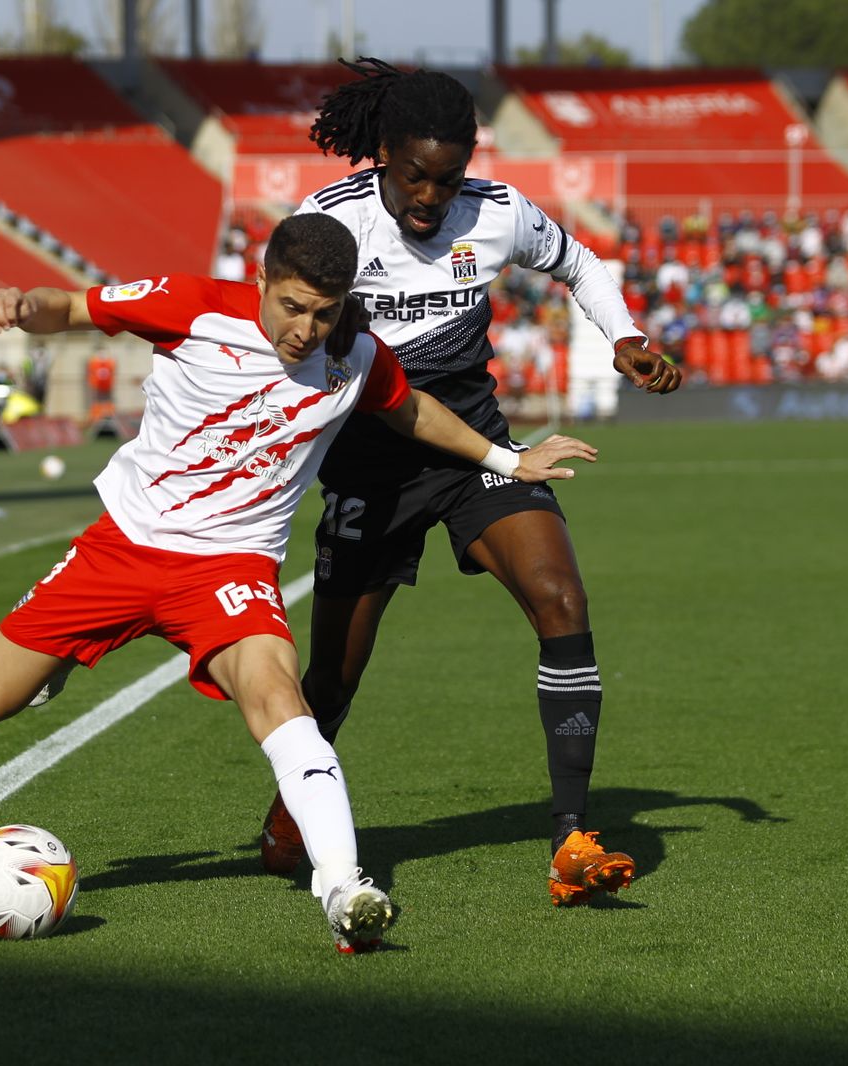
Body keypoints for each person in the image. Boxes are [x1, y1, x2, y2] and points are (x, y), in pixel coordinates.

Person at [0, 213, 597, 951]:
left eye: (325, 312)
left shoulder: (355, 353)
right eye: (293, 306)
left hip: (231, 569)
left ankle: (344, 887)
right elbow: (71, 307)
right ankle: (65, 657)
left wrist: (507, 459)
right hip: (124, 548)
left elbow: (412, 409)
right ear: (260, 280)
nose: (306, 328)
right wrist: (18, 304)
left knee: (279, 698)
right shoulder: (190, 305)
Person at [254, 58, 683, 909]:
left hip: (476, 455)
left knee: (561, 600)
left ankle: (571, 837)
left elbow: (578, 262)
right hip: (369, 469)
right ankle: (290, 812)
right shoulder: (328, 224)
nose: (430, 195)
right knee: (334, 679)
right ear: (382, 154)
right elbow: (280, 321)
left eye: (447, 178)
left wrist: (623, 335)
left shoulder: (495, 212)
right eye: (415, 176)